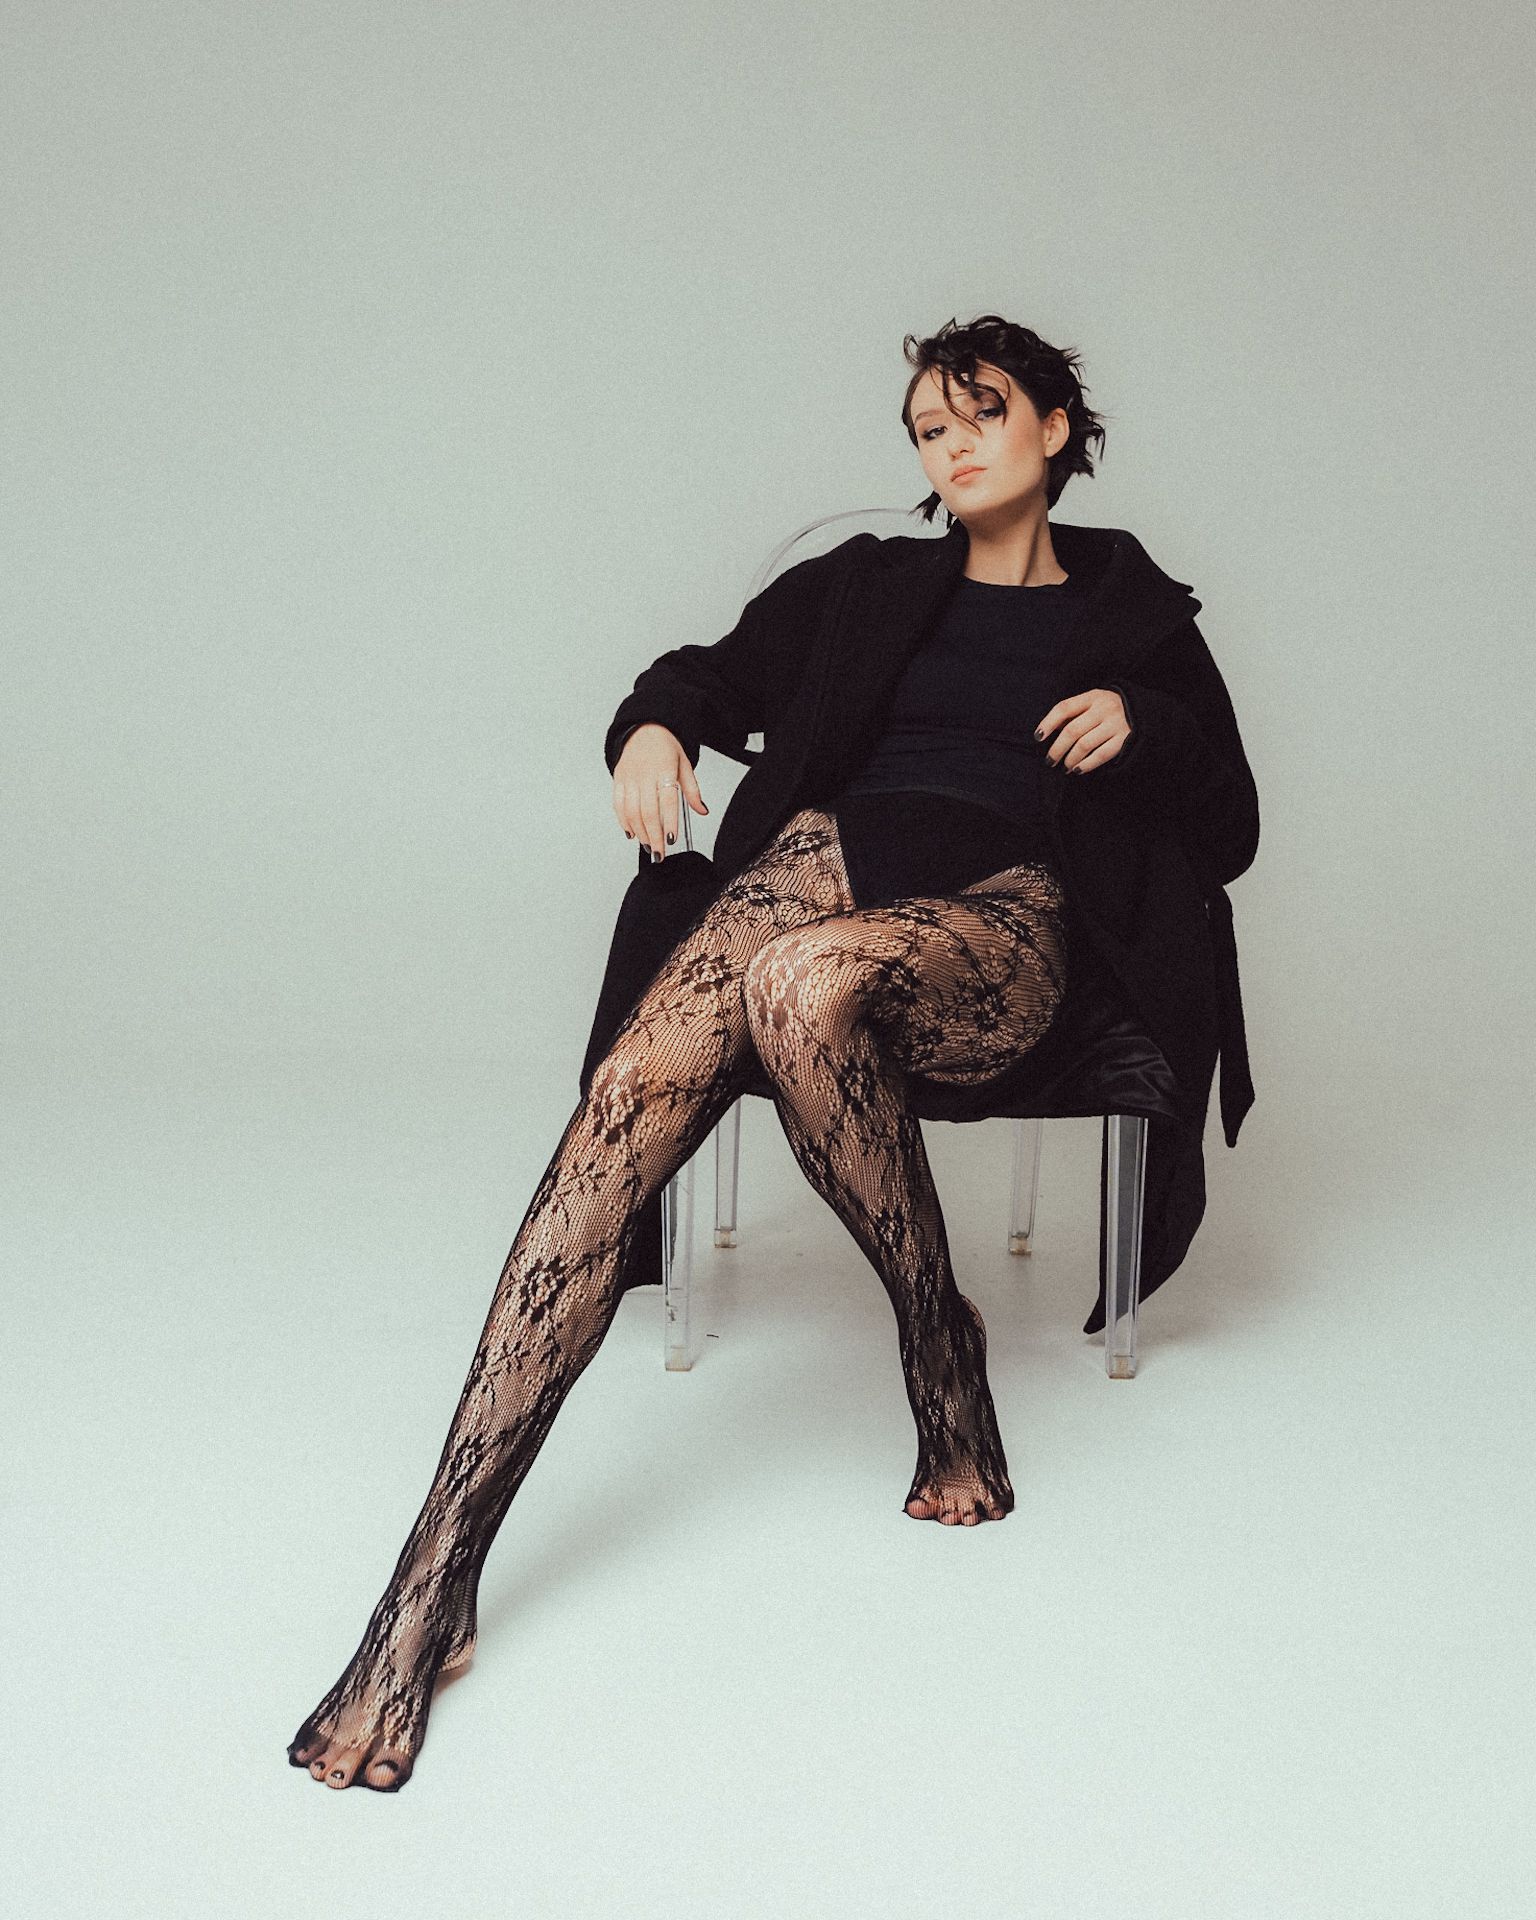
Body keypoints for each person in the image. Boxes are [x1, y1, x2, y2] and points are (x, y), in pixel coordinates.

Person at [288, 314, 1214, 1792]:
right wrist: (652, 728)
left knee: (799, 974)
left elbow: (1230, 824)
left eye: (981, 413)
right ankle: (433, 1574)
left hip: (1006, 918)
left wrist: (1144, 725)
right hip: (820, 872)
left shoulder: (1135, 618)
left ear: (1054, 427)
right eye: (928, 428)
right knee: (638, 1090)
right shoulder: (864, 585)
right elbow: (703, 676)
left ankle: (936, 1341)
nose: (953, 445)